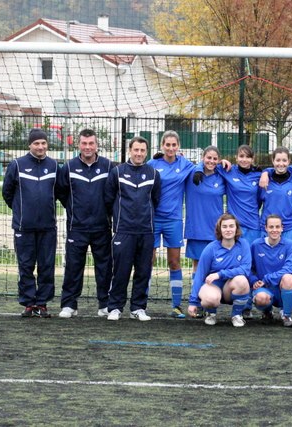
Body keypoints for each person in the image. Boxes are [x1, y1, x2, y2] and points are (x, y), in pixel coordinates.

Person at [2, 128, 60, 318]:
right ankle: (28, 303)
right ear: (29, 145)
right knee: (25, 265)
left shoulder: (54, 166)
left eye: (43, 143)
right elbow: (7, 193)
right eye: (36, 143)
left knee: (46, 265)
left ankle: (42, 303)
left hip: (47, 227)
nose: (40, 146)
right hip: (23, 227)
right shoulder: (17, 165)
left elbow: (60, 192)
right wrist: (21, 211)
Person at [57, 128, 114, 319]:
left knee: (104, 268)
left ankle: (105, 304)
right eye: (84, 143)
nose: (88, 147)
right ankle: (69, 304)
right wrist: (75, 210)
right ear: (78, 145)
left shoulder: (107, 166)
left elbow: (113, 193)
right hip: (77, 228)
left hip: (102, 227)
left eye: (91, 143)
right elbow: (62, 193)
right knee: (73, 267)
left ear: (96, 145)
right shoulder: (69, 167)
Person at [104, 136, 161, 321]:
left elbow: (156, 200)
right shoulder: (117, 172)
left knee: (143, 271)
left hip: (146, 230)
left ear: (146, 152)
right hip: (123, 230)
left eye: (142, 150)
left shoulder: (153, 174)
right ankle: (114, 307)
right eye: (136, 150)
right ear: (130, 150)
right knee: (120, 271)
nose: (139, 153)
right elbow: (108, 198)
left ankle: (138, 308)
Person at [147, 130, 195, 319]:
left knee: (174, 262)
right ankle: (142, 304)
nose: (170, 148)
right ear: (161, 146)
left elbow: (203, 167)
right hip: (152, 219)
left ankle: (176, 306)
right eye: (167, 145)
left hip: (173, 220)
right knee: (147, 261)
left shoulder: (185, 165)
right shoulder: (152, 164)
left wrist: (224, 163)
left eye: (174, 145)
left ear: (178, 146)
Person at [187, 214, 251, 327]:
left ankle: (236, 315)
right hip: (213, 286)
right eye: (224, 226)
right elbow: (200, 274)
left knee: (242, 280)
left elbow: (245, 269)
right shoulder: (211, 248)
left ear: (236, 228)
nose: (228, 229)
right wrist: (193, 302)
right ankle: (210, 313)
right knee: (211, 299)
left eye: (231, 226)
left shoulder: (243, 245)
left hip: (230, 288)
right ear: (219, 229)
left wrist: (220, 274)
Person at [185, 146, 226, 294]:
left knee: (215, 267)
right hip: (197, 228)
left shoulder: (222, 176)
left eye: (215, 159)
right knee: (198, 266)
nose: (211, 161)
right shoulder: (192, 174)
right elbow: (180, 162)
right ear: (203, 158)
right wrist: (198, 168)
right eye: (209, 158)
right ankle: (196, 298)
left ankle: (210, 299)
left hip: (216, 230)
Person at [249, 215, 292, 327]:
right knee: (261, 298)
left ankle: (286, 315)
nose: (274, 230)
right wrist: (254, 280)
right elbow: (249, 268)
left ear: (282, 228)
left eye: (277, 227)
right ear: (265, 228)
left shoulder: (289, 244)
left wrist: (267, 279)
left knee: (289, 278)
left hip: (281, 287)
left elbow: (290, 268)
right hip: (264, 288)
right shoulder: (256, 244)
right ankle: (267, 312)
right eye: (271, 227)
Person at [217, 144, 262, 244]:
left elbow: (260, 199)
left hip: (253, 223)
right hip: (234, 225)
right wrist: (221, 161)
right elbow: (209, 164)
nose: (244, 159)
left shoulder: (258, 175)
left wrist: (266, 173)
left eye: (248, 157)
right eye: (241, 156)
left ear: (252, 159)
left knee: (251, 257)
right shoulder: (228, 170)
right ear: (236, 158)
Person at [259, 147, 292, 244]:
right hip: (268, 229)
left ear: (289, 161)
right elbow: (257, 204)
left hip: (288, 228)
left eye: (284, 160)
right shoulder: (264, 181)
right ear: (272, 161)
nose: (281, 164)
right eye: (278, 160)